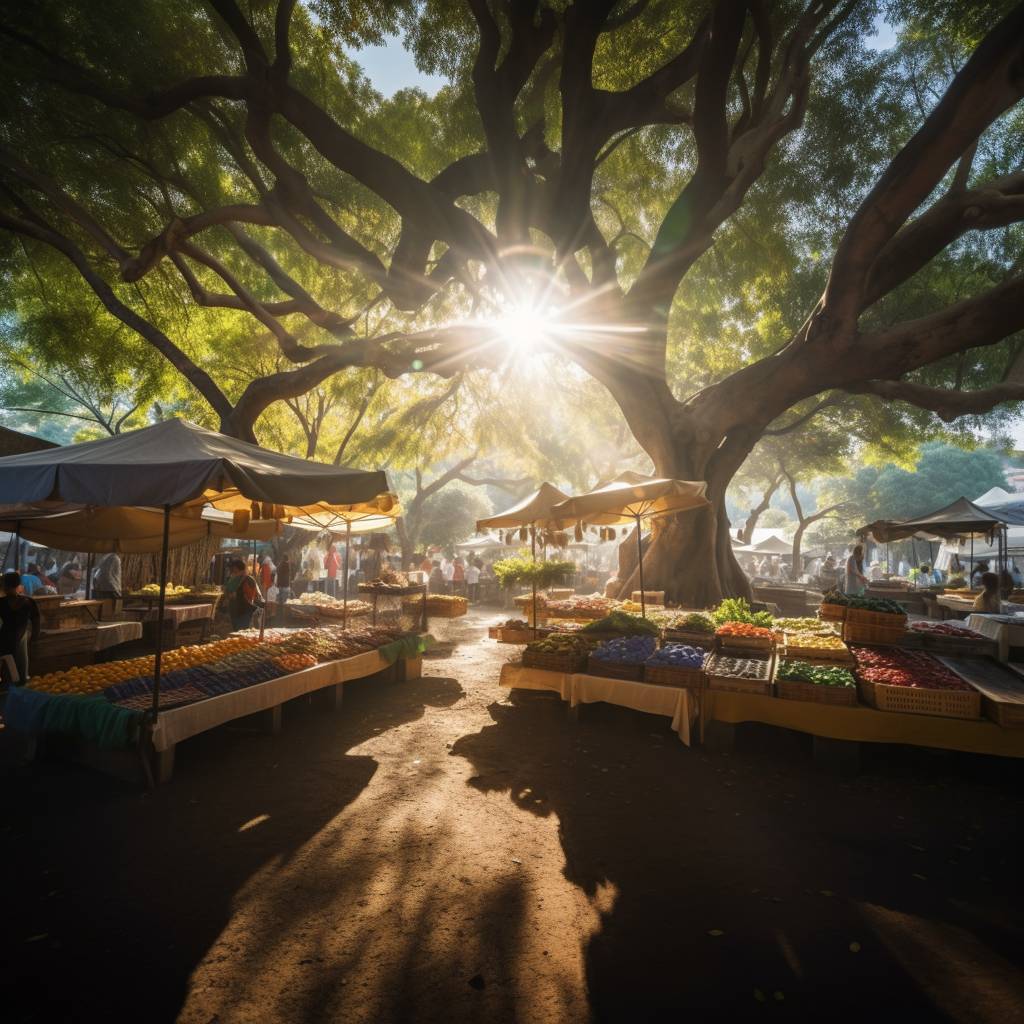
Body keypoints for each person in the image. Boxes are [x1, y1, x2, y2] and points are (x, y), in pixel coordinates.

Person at [1, 570, 40, 684]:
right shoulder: (28, 602)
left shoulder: (1, 603)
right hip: (21, 637)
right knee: (20, 669)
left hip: (5, 639)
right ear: (18, 585)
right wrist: (33, 640)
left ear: (5, 586)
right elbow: (36, 623)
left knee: (7, 672)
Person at [224, 557, 263, 631]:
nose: (233, 573)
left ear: (242, 570)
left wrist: (237, 594)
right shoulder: (231, 580)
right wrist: (229, 595)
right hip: (234, 611)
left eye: (235, 571)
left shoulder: (249, 580)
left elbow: (253, 597)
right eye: (232, 571)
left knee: (242, 632)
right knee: (236, 631)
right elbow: (227, 592)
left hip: (245, 611)